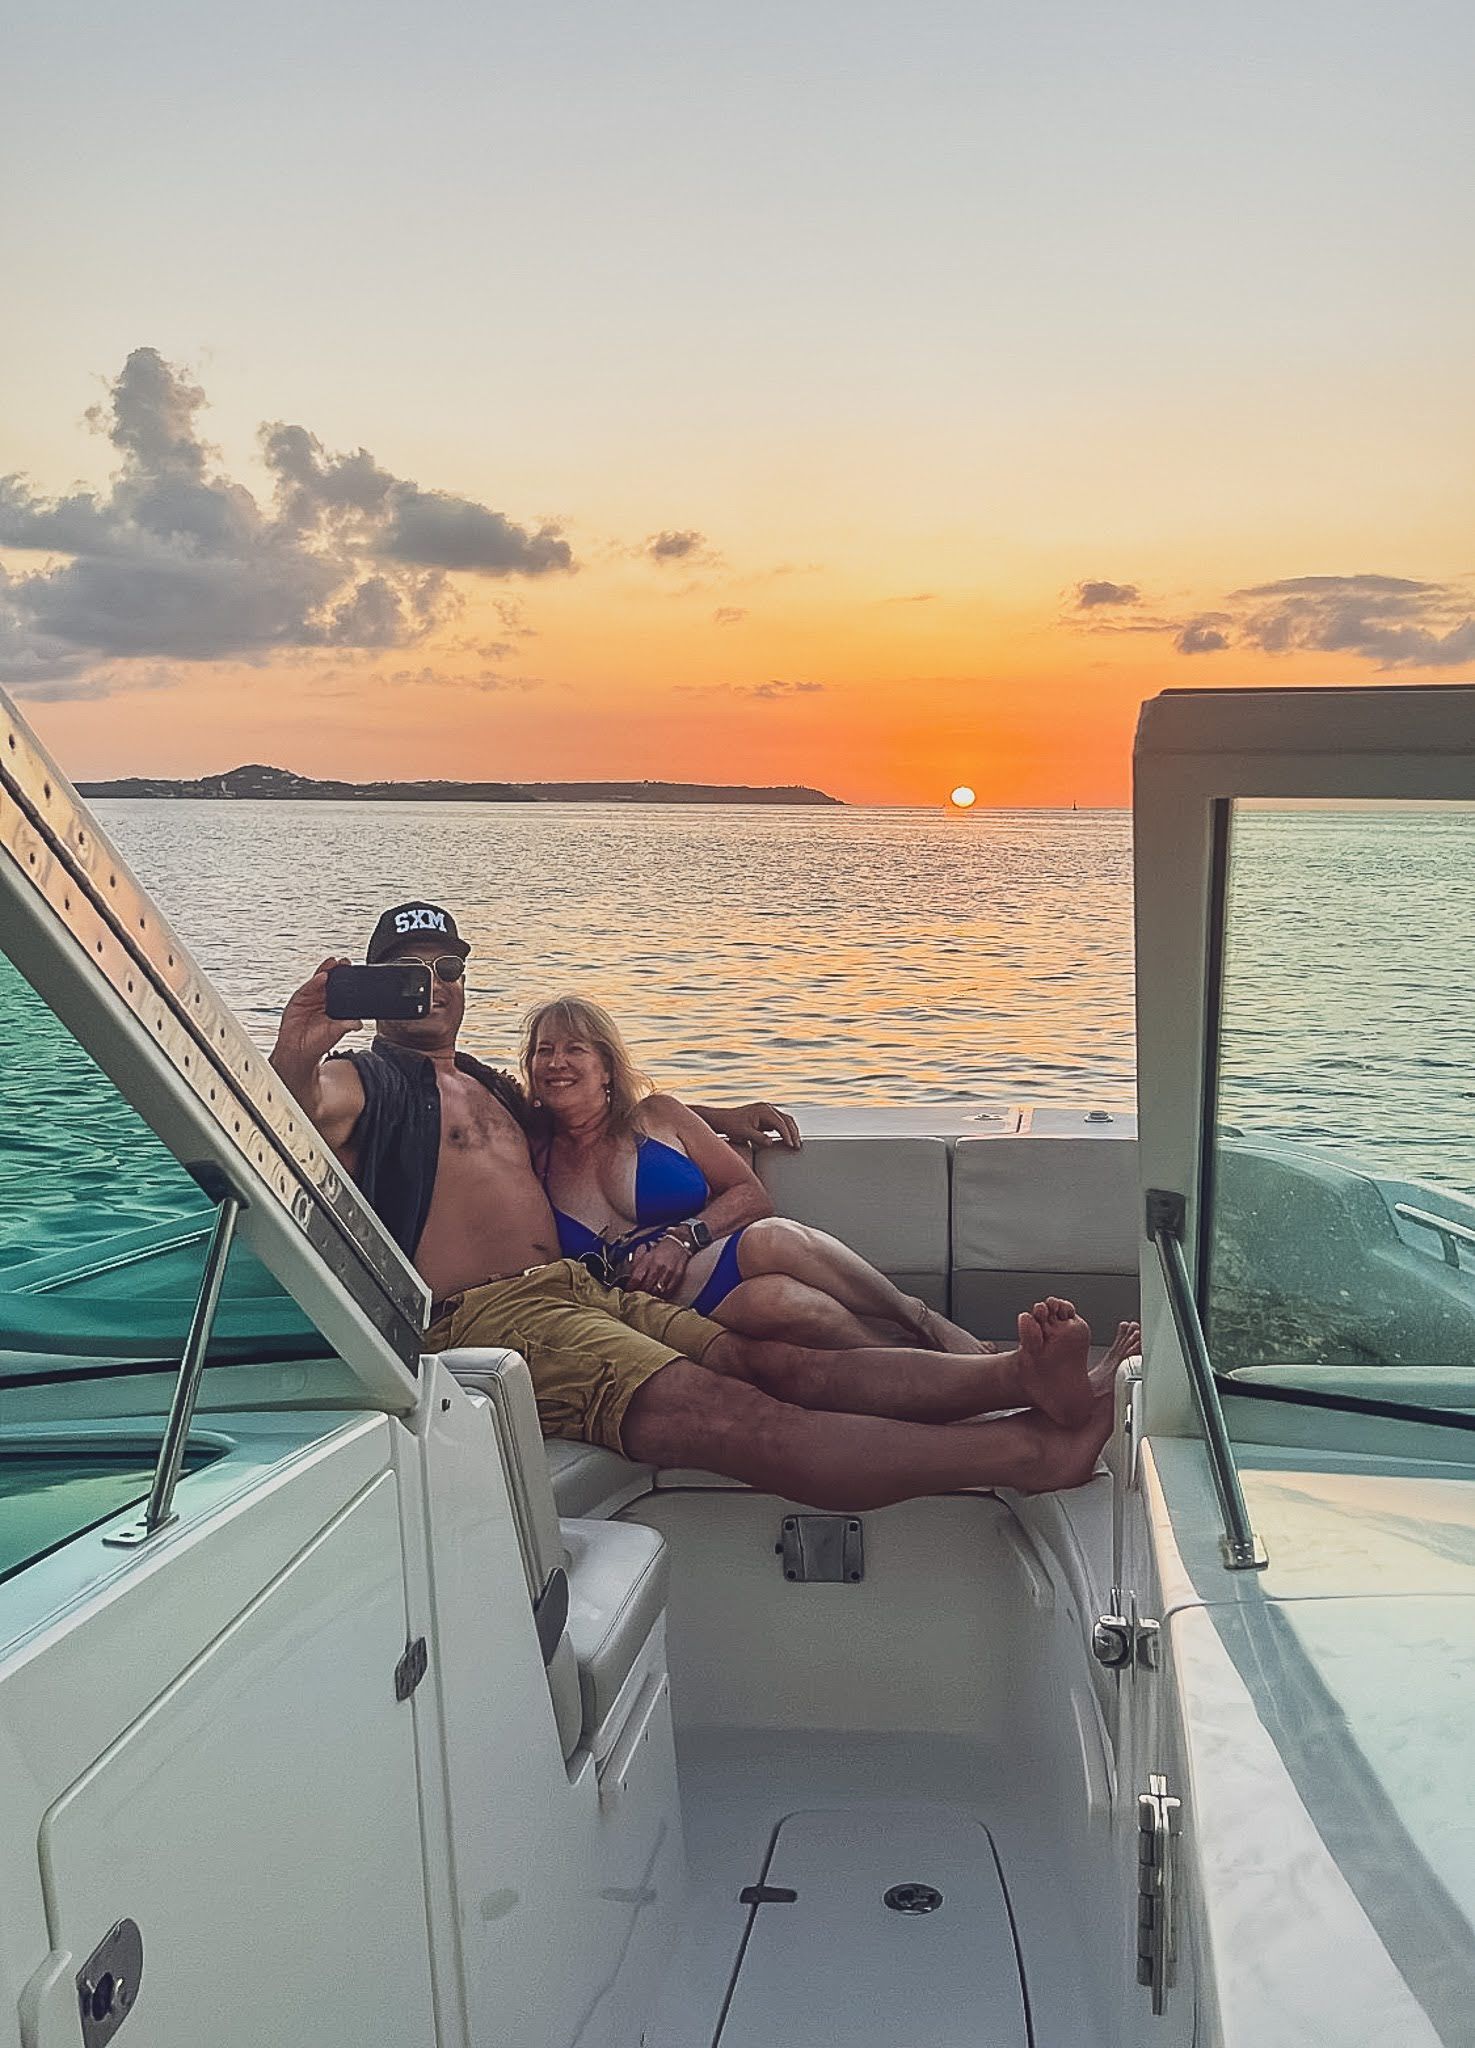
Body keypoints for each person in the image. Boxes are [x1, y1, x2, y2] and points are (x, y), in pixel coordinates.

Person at [270, 900, 1118, 1510]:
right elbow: (290, 1116)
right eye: (410, 975)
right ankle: (1031, 1453)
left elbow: (591, 1111)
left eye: (449, 971)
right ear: (374, 990)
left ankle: (1018, 1377)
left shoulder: (488, 1085)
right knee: (743, 1421)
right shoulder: (365, 1082)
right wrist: (295, 1050)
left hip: (581, 1294)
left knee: (779, 1363)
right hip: (489, 1323)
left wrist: (716, 1116)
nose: (435, 987)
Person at [524, 994, 989, 1353]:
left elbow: (751, 1196)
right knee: (777, 1303)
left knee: (773, 1244)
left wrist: (681, 1239)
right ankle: (913, 1361)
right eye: (543, 1051)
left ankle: (922, 1321)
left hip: (702, 1261)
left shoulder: (660, 1116)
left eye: (574, 1049)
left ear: (606, 1066)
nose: (556, 1063)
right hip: (639, 1304)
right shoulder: (529, 1150)